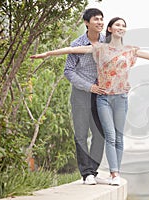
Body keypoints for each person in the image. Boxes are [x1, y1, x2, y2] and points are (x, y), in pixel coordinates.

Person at [30, 17, 149, 186]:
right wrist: (48, 54)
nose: (121, 28)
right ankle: (112, 173)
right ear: (110, 29)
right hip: (104, 99)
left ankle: (116, 175)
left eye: (123, 26)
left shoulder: (130, 50)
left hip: (121, 98)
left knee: (120, 137)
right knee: (110, 136)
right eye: (117, 25)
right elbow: (72, 49)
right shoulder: (99, 49)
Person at [63, 8, 107, 185]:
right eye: (96, 19)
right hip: (81, 95)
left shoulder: (107, 42)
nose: (100, 22)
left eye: (102, 19)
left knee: (100, 134)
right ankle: (86, 173)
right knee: (81, 134)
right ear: (86, 23)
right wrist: (90, 87)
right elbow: (68, 71)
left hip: (101, 96)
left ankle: (94, 171)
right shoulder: (77, 44)